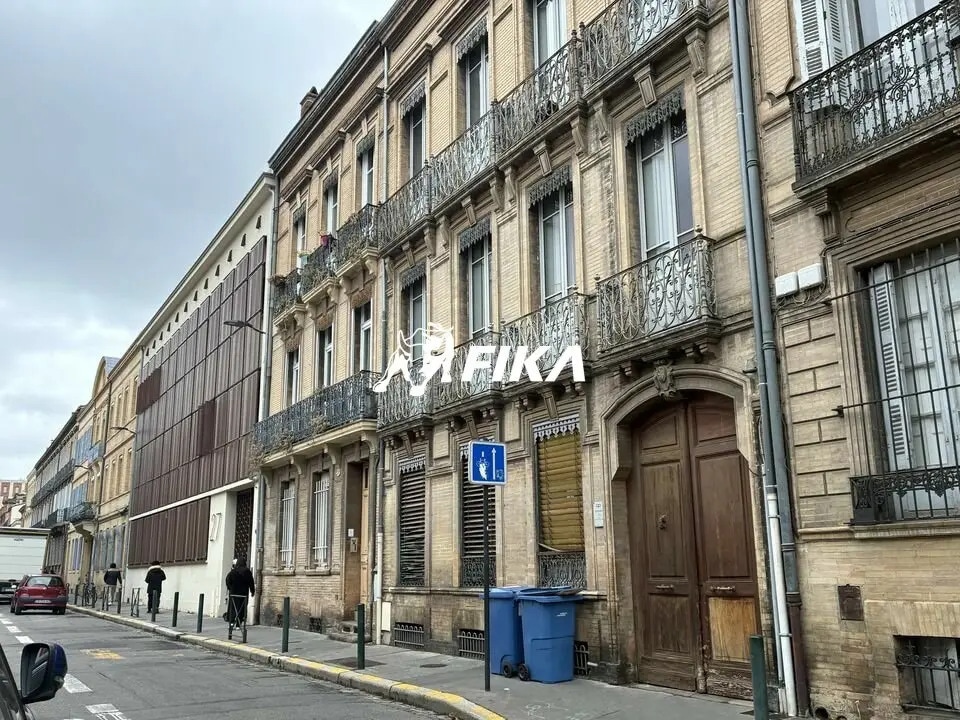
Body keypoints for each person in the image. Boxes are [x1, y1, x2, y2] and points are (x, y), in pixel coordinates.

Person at [224, 556, 255, 625]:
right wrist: (252, 591)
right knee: (241, 608)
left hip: (234, 593)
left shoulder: (233, 571)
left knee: (233, 607)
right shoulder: (247, 572)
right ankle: (239, 623)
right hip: (243, 594)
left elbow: (227, 580)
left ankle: (231, 622)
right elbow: (251, 582)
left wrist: (230, 588)